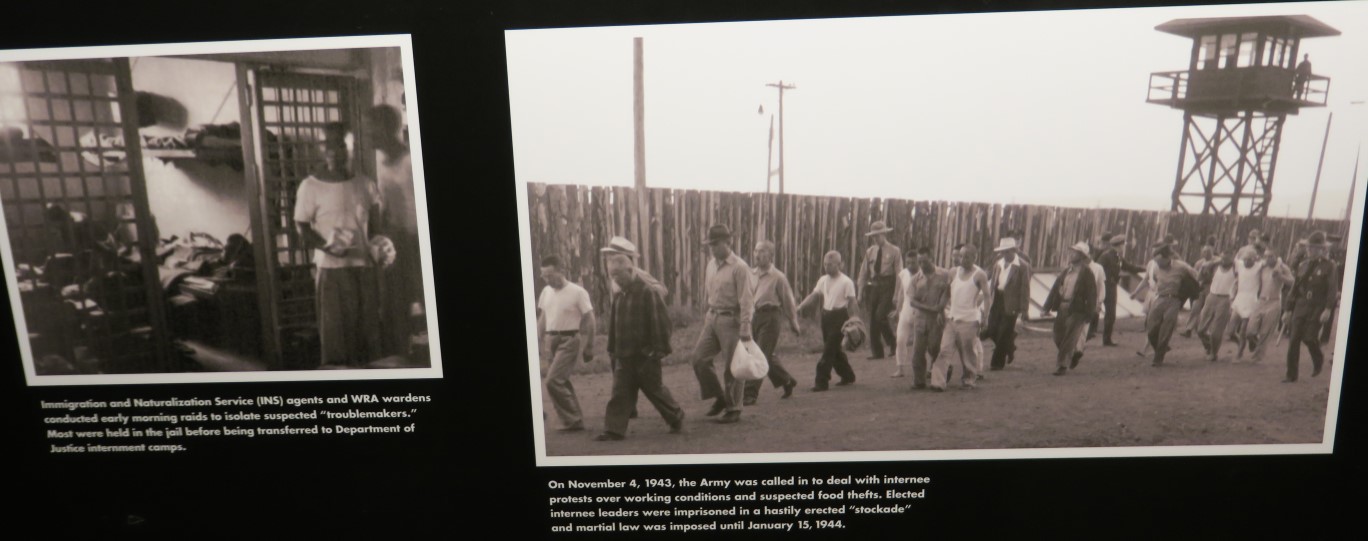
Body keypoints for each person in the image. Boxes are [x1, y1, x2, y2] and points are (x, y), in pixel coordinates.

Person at [294, 121, 383, 367]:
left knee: (368, 336)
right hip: (331, 271)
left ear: (352, 146)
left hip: (363, 270)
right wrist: (327, 246)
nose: (334, 150)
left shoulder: (365, 184)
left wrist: (381, 249)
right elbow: (300, 226)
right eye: (326, 144)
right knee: (335, 341)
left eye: (340, 144)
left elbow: (375, 229)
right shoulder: (310, 186)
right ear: (319, 148)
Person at [596, 239, 685, 441]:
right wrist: (612, 348)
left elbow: (661, 323)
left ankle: (676, 417)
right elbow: (614, 324)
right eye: (613, 276)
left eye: (618, 275)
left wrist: (658, 349)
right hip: (624, 353)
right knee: (619, 392)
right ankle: (614, 430)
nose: (616, 280)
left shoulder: (647, 292)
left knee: (655, 390)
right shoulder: (619, 295)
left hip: (646, 354)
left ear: (630, 270)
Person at [690, 224, 754, 424]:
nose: (712, 248)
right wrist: (707, 314)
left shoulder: (740, 267)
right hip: (713, 316)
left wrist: (745, 325)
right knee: (699, 358)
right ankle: (719, 397)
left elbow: (746, 300)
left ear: (728, 242)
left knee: (732, 365)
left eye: (715, 244)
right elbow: (709, 291)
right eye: (710, 245)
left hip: (731, 319)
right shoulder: (711, 265)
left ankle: (734, 408)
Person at [536, 255, 596, 432]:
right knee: (561, 380)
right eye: (544, 276)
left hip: (569, 339)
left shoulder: (577, 292)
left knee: (552, 380)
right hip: (550, 340)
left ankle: (572, 420)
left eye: (550, 275)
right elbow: (543, 317)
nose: (547, 279)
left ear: (561, 271)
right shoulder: (546, 291)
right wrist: (537, 340)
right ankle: (575, 418)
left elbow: (590, 319)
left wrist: (590, 345)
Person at [744, 240, 801, 404]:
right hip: (754, 317)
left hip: (771, 317)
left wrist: (793, 322)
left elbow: (788, 302)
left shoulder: (778, 277)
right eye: (755, 251)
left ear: (770, 255)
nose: (757, 255)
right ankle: (787, 380)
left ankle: (750, 393)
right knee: (764, 354)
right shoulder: (751, 274)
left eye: (762, 251)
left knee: (759, 354)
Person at [929, 244, 990, 391]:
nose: (962, 259)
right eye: (961, 256)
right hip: (952, 319)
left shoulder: (979, 275)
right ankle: (938, 382)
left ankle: (969, 379)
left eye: (966, 257)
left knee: (967, 352)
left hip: (970, 320)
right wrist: (940, 310)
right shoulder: (953, 272)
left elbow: (987, 296)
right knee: (944, 350)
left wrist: (985, 317)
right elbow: (947, 293)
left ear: (974, 258)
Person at [797, 250, 859, 392]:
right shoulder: (823, 280)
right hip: (826, 316)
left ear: (839, 264)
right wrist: (800, 306)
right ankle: (848, 375)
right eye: (825, 264)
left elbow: (853, 302)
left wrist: (855, 320)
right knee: (834, 350)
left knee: (828, 350)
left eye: (830, 264)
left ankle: (821, 381)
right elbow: (814, 295)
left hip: (840, 317)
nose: (827, 267)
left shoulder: (846, 282)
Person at [1283, 231, 1338, 383]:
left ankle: (1318, 358)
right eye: (1309, 247)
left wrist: (1327, 309)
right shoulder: (1303, 265)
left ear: (1322, 249)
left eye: (1314, 248)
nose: (1310, 250)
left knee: (1309, 337)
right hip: (1301, 305)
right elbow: (1295, 288)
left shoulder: (1329, 266)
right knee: (1294, 339)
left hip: (1317, 306)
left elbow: (1332, 289)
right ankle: (1291, 374)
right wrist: (1288, 309)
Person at [1040, 241, 1098, 376]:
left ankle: (1062, 365)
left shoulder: (1087, 273)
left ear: (1082, 256)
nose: (1071, 254)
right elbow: (1055, 290)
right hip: (1063, 307)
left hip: (1078, 310)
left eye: (1075, 252)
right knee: (1057, 335)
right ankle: (1070, 354)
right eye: (1071, 252)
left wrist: (1090, 313)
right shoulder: (1066, 271)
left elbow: (1092, 294)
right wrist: (1046, 307)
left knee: (1069, 338)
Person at [1145, 244, 1197, 367]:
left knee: (1166, 328)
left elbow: (1195, 276)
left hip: (1174, 300)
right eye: (1156, 261)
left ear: (1167, 258)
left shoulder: (1181, 267)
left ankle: (1158, 357)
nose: (1157, 263)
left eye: (1159, 261)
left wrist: (1188, 293)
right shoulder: (1156, 267)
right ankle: (1161, 347)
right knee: (1151, 327)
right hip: (1160, 298)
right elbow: (1155, 279)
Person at [857, 220, 902, 360]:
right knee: (873, 319)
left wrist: (896, 294)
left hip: (888, 285)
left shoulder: (895, 251)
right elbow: (863, 273)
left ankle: (893, 343)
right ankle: (877, 352)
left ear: (884, 234)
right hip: (874, 286)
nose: (875, 238)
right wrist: (860, 293)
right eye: (873, 236)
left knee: (880, 315)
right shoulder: (870, 251)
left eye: (878, 235)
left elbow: (899, 274)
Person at [984, 237, 1030, 371]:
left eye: (1007, 251)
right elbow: (992, 281)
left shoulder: (1022, 266)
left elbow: (1025, 288)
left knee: (1004, 331)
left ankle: (997, 363)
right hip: (997, 299)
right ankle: (1009, 346)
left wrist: (1024, 309)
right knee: (992, 329)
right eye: (1002, 251)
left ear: (1013, 251)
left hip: (1012, 303)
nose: (1004, 254)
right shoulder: (997, 264)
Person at [906, 247, 949, 389]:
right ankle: (919, 381)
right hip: (920, 319)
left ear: (932, 259)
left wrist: (940, 308)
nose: (922, 265)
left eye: (925, 261)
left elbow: (947, 293)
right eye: (920, 262)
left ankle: (941, 375)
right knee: (918, 351)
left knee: (935, 348)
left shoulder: (944, 275)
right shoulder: (915, 279)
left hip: (937, 319)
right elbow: (912, 301)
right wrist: (930, 308)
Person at [1096, 233, 1145, 346]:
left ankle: (1106, 339)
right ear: (1118, 245)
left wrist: (1144, 268)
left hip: (1112, 287)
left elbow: (1129, 267)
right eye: (1123, 245)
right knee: (1095, 311)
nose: (1124, 247)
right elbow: (1097, 270)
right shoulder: (1106, 256)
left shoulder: (1118, 257)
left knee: (1111, 314)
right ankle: (1088, 334)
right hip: (1104, 286)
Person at [1248, 246, 1294, 362]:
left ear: (1276, 257)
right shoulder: (1262, 267)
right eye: (1266, 256)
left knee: (1265, 332)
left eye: (1271, 256)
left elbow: (1293, 282)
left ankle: (1258, 356)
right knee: (1250, 330)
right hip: (1261, 300)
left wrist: (1280, 276)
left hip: (1274, 301)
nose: (1268, 259)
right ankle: (1254, 342)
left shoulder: (1282, 268)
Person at [1196, 248, 1236, 362]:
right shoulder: (1215, 267)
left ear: (1233, 257)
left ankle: (1214, 353)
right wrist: (1206, 267)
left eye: (1228, 257)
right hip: (1211, 296)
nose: (1224, 260)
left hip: (1225, 299)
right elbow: (1200, 277)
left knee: (1216, 331)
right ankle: (1209, 346)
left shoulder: (1235, 268)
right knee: (1200, 329)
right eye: (1223, 257)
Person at [1229, 249, 1264, 360]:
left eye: (1249, 259)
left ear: (1254, 259)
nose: (1246, 262)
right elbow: (1232, 259)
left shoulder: (1259, 266)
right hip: (1240, 298)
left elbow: (1276, 260)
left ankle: (1239, 353)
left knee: (1243, 330)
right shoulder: (1240, 264)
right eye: (1244, 259)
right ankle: (1249, 342)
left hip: (1251, 300)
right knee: (1230, 331)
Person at [1179, 244, 1219, 338]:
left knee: (1208, 309)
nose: (1205, 253)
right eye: (1204, 251)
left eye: (1207, 251)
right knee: (1195, 307)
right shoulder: (1199, 263)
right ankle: (1189, 329)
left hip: (1211, 287)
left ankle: (1205, 329)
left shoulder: (1215, 262)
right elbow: (1195, 274)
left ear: (1211, 252)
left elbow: (1215, 276)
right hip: (1200, 286)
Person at [890, 248, 918, 378]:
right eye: (908, 263)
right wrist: (897, 310)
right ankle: (900, 368)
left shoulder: (925, 273)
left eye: (914, 262)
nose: (911, 265)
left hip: (920, 310)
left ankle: (925, 368)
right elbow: (901, 292)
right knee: (900, 339)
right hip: (906, 309)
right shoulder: (903, 273)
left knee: (920, 343)